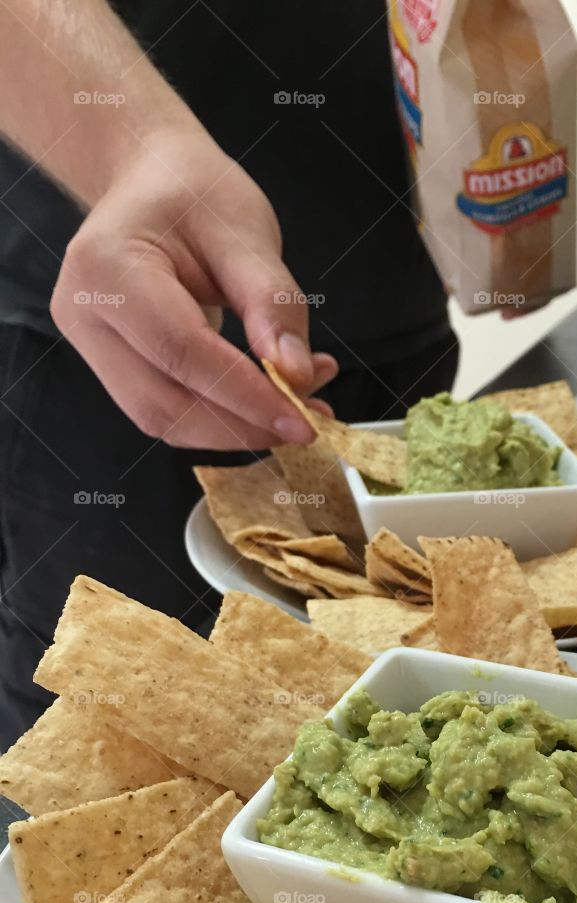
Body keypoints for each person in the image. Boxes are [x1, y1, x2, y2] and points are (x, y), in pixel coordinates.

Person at [0, 0, 459, 746]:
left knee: (386, 711)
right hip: (125, 334)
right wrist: (130, 145)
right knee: (103, 728)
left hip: (400, 307)